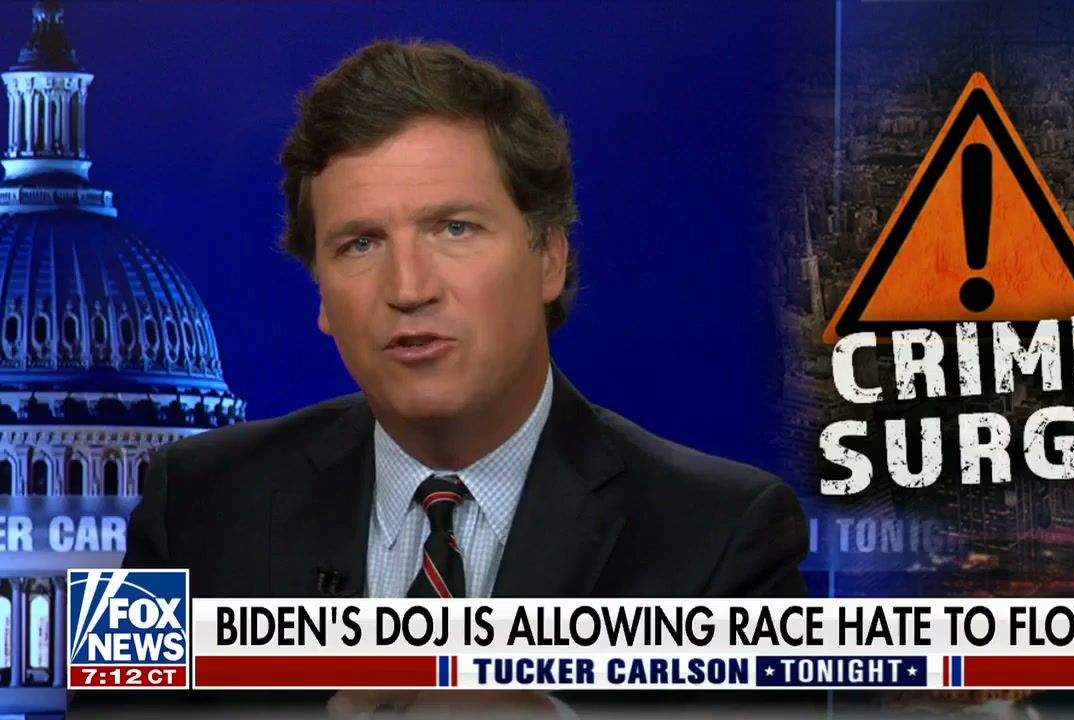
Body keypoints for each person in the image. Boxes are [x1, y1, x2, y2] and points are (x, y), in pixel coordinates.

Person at [72, 40, 809, 718]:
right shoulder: (190, 507)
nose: (408, 287)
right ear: (321, 293)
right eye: (360, 244)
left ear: (549, 258)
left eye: (455, 229)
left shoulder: (723, 538)